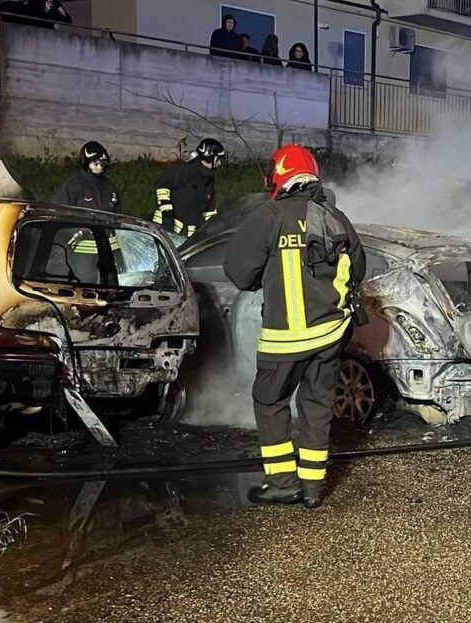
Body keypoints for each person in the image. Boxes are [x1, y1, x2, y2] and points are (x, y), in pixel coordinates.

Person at [224, 144, 366, 509]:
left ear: (277, 177)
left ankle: (283, 483)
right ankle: (313, 488)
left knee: (270, 402)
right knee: (317, 405)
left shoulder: (268, 216)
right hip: (330, 335)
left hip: (285, 339)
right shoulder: (334, 216)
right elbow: (359, 269)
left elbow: (239, 274)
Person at [152, 138, 225, 239]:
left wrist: (215, 226)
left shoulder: (209, 181)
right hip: (164, 230)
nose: (219, 163)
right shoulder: (185, 170)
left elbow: (209, 210)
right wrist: (167, 215)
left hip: (187, 236)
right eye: (218, 159)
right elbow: (162, 186)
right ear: (209, 157)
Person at [51, 141, 121, 212]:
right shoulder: (73, 186)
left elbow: (117, 212)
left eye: (102, 164)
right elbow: (58, 210)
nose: (100, 167)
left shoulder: (109, 186)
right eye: (96, 164)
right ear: (86, 164)